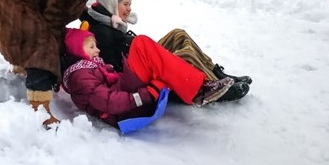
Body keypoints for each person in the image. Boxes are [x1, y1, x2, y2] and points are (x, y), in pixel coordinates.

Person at [80, 0, 251, 99]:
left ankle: (218, 74)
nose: (129, 8)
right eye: (125, 4)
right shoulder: (100, 29)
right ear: (111, 3)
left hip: (141, 59)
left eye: (129, 4)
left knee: (178, 34)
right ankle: (209, 87)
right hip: (136, 72)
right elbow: (113, 65)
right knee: (184, 54)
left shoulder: (110, 21)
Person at [61, 27, 236, 129]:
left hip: (125, 88)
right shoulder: (79, 75)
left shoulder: (91, 66)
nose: (98, 50)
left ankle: (204, 82)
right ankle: (198, 90)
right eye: (92, 46)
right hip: (127, 108)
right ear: (77, 50)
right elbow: (109, 102)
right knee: (141, 44)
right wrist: (147, 94)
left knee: (165, 52)